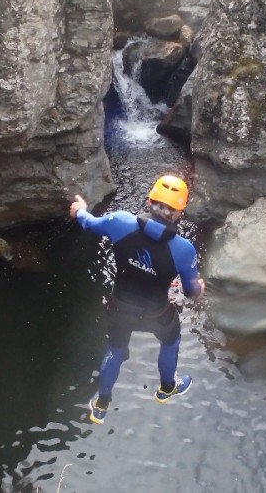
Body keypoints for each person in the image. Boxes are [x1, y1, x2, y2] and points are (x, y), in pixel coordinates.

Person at [69, 175, 205, 424]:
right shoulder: (184, 250)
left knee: (116, 349)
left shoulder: (119, 222)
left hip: (120, 309)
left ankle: (100, 405)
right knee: (171, 340)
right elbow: (190, 291)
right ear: (178, 214)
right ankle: (166, 389)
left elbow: (88, 223)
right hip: (157, 315)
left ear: (149, 200)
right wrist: (199, 287)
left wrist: (79, 210)